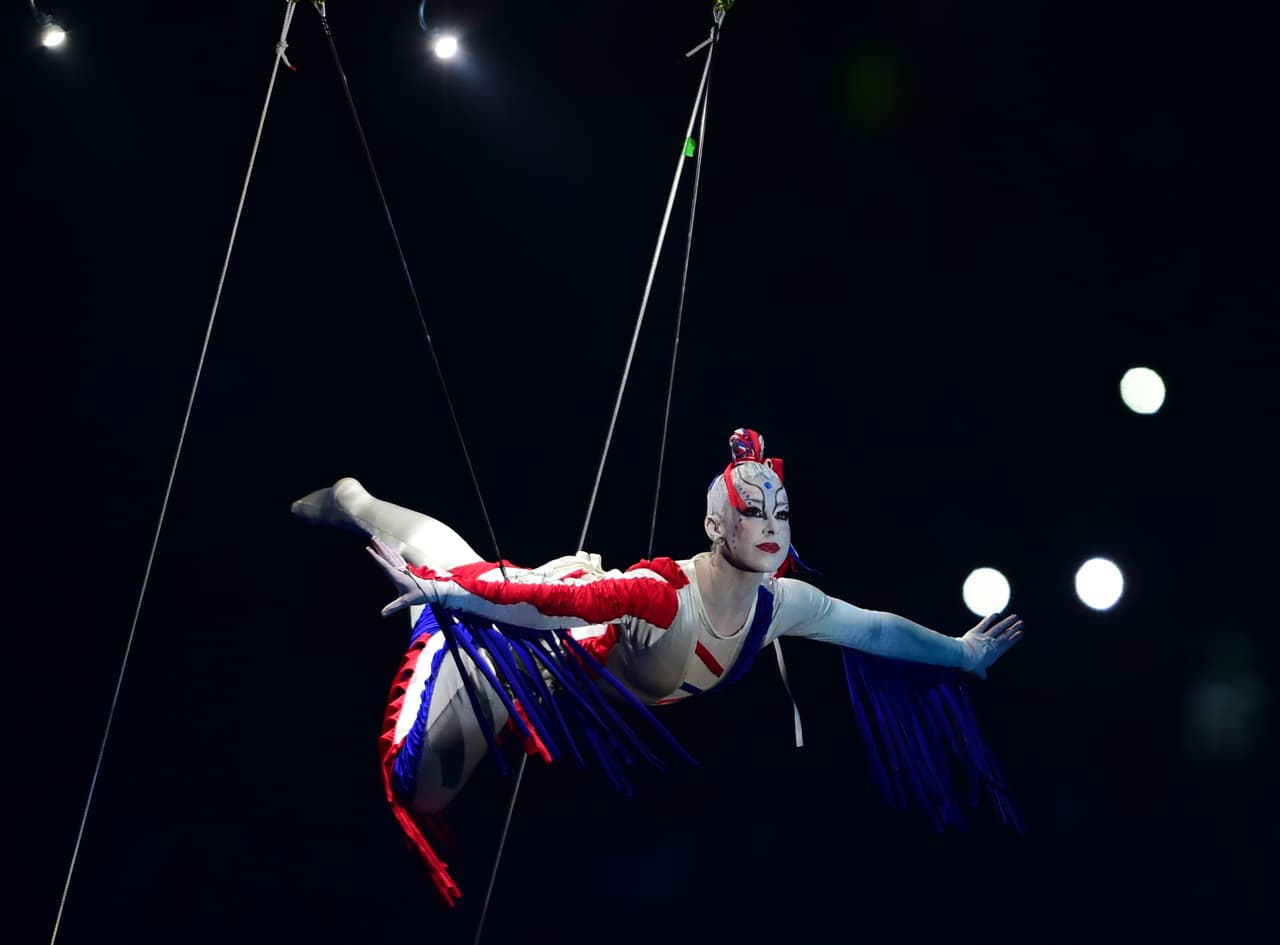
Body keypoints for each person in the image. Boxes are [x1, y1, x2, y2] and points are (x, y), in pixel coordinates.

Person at [291, 428, 1024, 905]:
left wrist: (960, 653)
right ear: (714, 523)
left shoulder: (780, 605)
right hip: (527, 652)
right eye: (752, 511)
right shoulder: (663, 595)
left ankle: (442, 579)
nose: (769, 526)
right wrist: (450, 595)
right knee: (418, 785)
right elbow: (536, 605)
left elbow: (873, 629)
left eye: (780, 512)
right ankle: (362, 505)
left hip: (562, 667)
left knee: (434, 771)